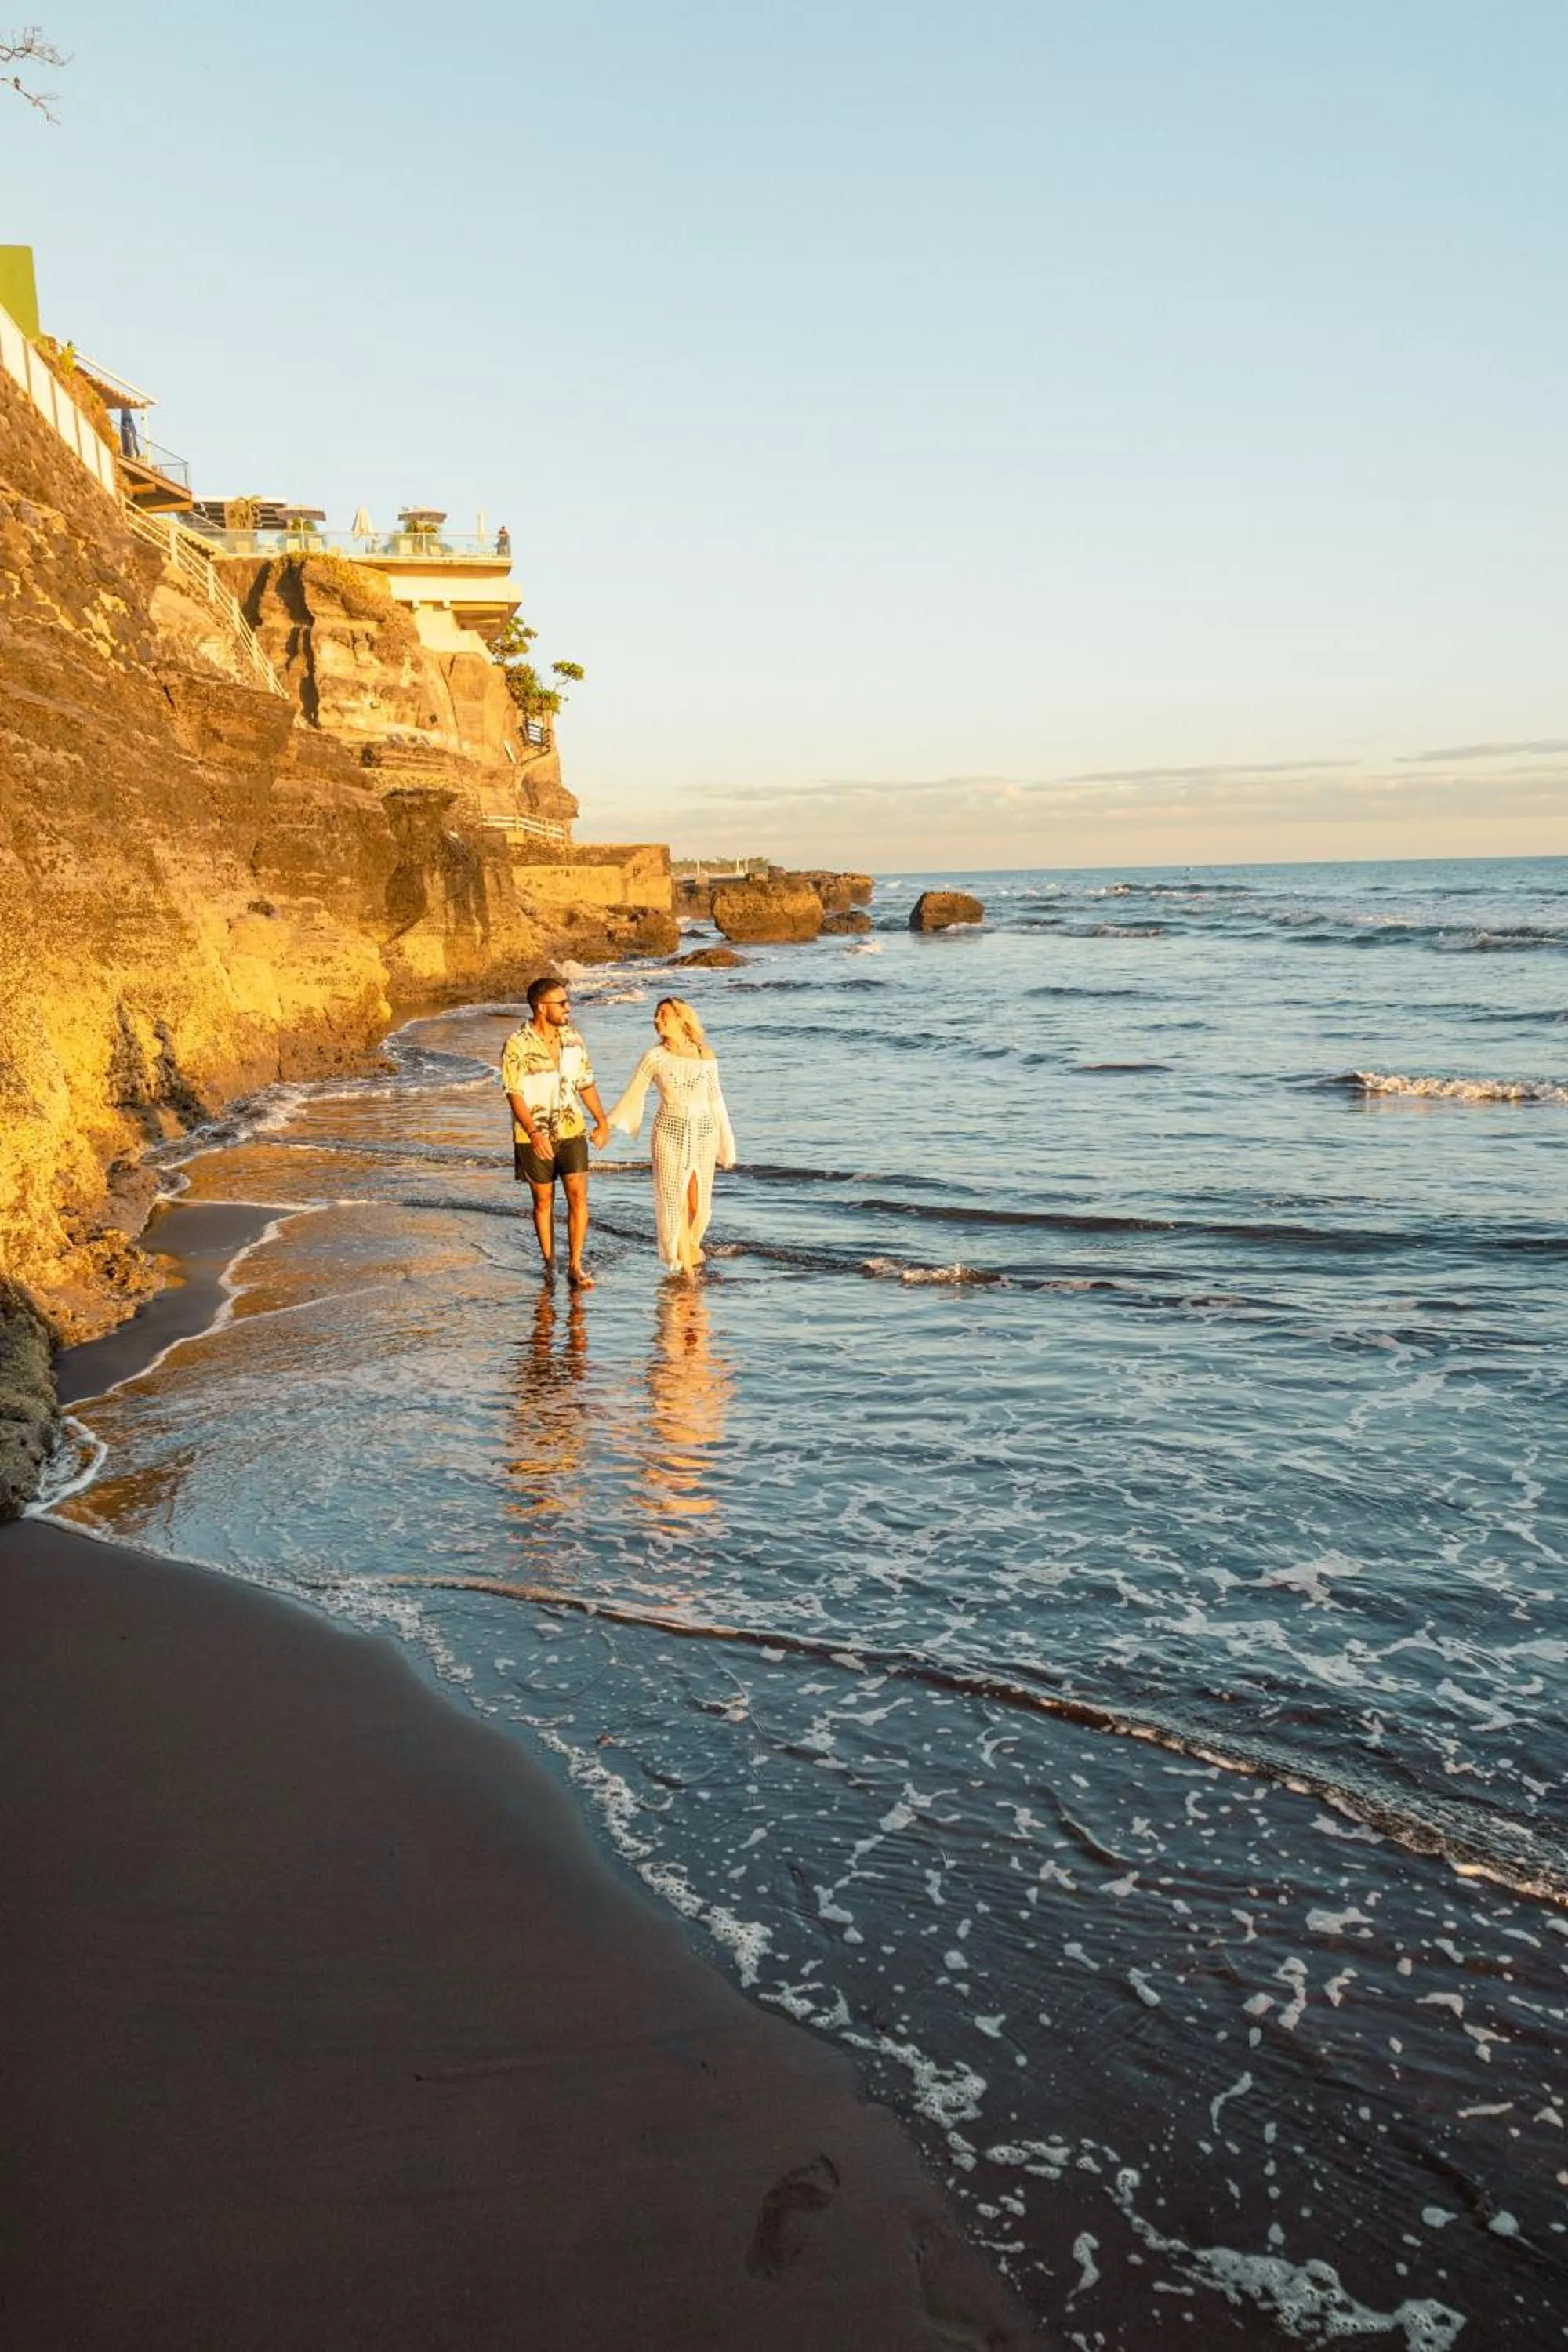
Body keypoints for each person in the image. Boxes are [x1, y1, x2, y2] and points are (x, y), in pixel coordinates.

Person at [608, 998, 736, 1277]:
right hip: (668, 1132)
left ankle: (689, 1249)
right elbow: (634, 1094)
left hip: (704, 1133)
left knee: (698, 1206)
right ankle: (686, 1269)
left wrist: (727, 1145)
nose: (656, 1019)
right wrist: (607, 1124)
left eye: (662, 1014)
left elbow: (716, 1101)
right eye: (655, 1015)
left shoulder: (705, 1054)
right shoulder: (655, 1057)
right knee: (673, 1199)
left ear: (680, 1018)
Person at [501, 976, 610, 1289]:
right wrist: (534, 1133)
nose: (568, 1008)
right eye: (561, 1003)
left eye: (567, 1002)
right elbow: (513, 1093)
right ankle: (549, 1263)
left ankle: (575, 1265)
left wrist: (601, 1120)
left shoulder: (574, 1038)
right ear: (541, 1007)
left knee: (578, 1195)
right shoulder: (516, 1044)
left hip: (572, 1128)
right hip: (532, 1134)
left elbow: (585, 1082)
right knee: (543, 1200)